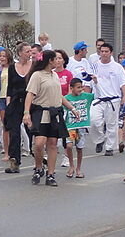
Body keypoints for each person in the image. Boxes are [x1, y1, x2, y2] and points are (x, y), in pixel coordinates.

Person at [24, 50, 82, 187]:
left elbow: (59, 96)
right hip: (41, 112)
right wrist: (26, 112)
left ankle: (51, 174)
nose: (58, 61)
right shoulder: (37, 76)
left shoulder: (55, 75)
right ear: (49, 61)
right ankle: (39, 167)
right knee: (39, 143)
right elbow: (30, 95)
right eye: (55, 59)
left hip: (55, 113)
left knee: (52, 144)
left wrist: (72, 108)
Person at [86, 42, 125, 156]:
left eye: (106, 51)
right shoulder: (94, 65)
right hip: (98, 99)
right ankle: (99, 140)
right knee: (93, 121)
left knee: (111, 124)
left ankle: (109, 147)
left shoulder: (117, 67)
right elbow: (87, 82)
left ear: (111, 53)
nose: (104, 53)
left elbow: (124, 83)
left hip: (113, 99)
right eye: (102, 51)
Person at [4, 43, 33, 173]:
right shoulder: (12, 67)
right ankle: (14, 161)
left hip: (30, 102)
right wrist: (8, 104)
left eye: (30, 51)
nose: (29, 53)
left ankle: (38, 159)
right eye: (27, 51)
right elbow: (10, 87)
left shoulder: (34, 66)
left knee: (32, 130)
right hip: (16, 101)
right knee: (14, 132)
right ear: (20, 53)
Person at [64, 78, 94, 179]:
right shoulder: (66, 98)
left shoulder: (87, 97)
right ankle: (71, 165)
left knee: (79, 148)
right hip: (71, 127)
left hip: (81, 127)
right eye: (78, 87)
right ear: (71, 88)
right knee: (69, 146)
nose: (80, 89)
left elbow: (98, 94)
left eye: (81, 87)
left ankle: (78, 168)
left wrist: (96, 82)